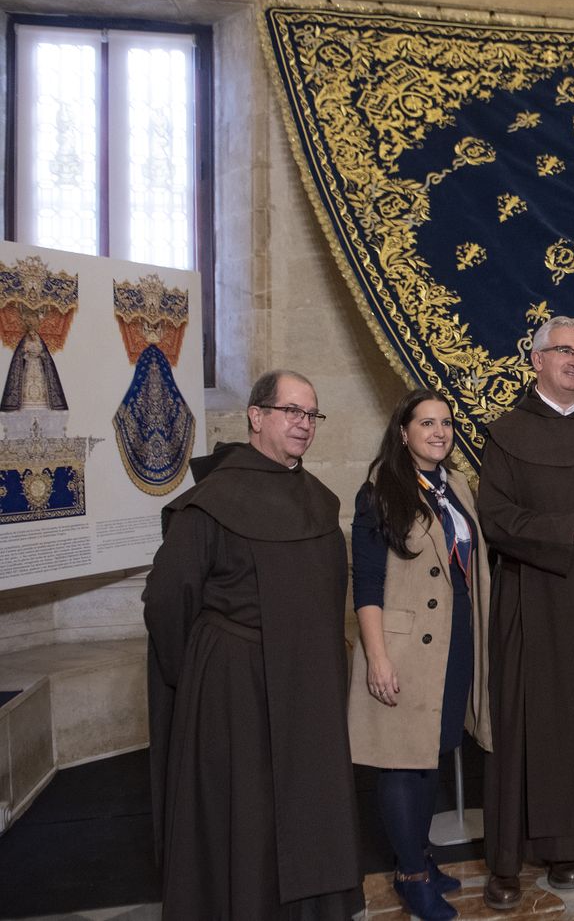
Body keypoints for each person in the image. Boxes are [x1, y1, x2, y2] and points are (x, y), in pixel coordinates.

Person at [143, 370, 363, 919]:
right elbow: (167, 601)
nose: (304, 424)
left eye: (311, 414)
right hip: (236, 690)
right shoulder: (210, 503)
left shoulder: (319, 500)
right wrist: (202, 672)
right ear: (256, 416)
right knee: (247, 812)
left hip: (309, 685)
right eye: (292, 411)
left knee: (308, 808)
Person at [476, 316, 574, 908]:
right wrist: (568, 527)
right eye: (564, 350)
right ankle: (505, 861)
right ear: (537, 359)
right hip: (528, 599)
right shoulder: (505, 434)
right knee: (522, 724)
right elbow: (496, 520)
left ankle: (568, 847)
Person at [347, 389, 493, 921]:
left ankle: (420, 858)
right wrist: (377, 657)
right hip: (404, 648)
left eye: (446, 423)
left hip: (453, 642)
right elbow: (366, 583)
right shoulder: (380, 491)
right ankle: (410, 876)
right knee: (401, 763)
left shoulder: (456, 487)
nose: (439, 432)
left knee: (431, 754)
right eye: (426, 423)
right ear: (403, 431)